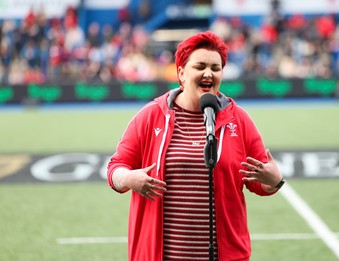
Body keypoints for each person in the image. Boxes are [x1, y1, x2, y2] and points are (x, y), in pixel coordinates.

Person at [107, 31, 284, 261]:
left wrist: (274, 181)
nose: (208, 73)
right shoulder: (151, 116)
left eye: (215, 68)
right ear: (181, 72)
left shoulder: (238, 120)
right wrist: (128, 179)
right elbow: (115, 168)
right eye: (200, 66)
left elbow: (260, 181)